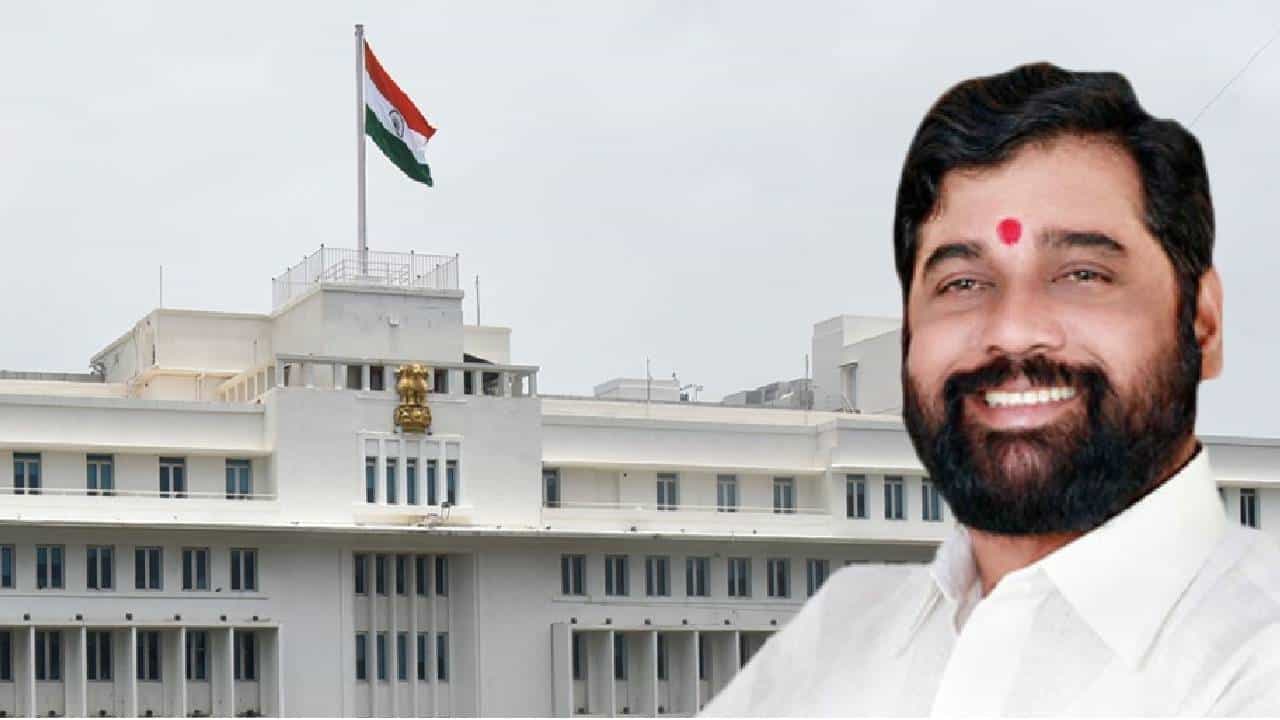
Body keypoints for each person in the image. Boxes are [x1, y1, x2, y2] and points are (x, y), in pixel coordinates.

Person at [702, 62, 1280, 716]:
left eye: (1082, 274)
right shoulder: (841, 631)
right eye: (963, 284)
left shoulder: (1255, 657)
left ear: (1203, 320)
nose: (1011, 332)